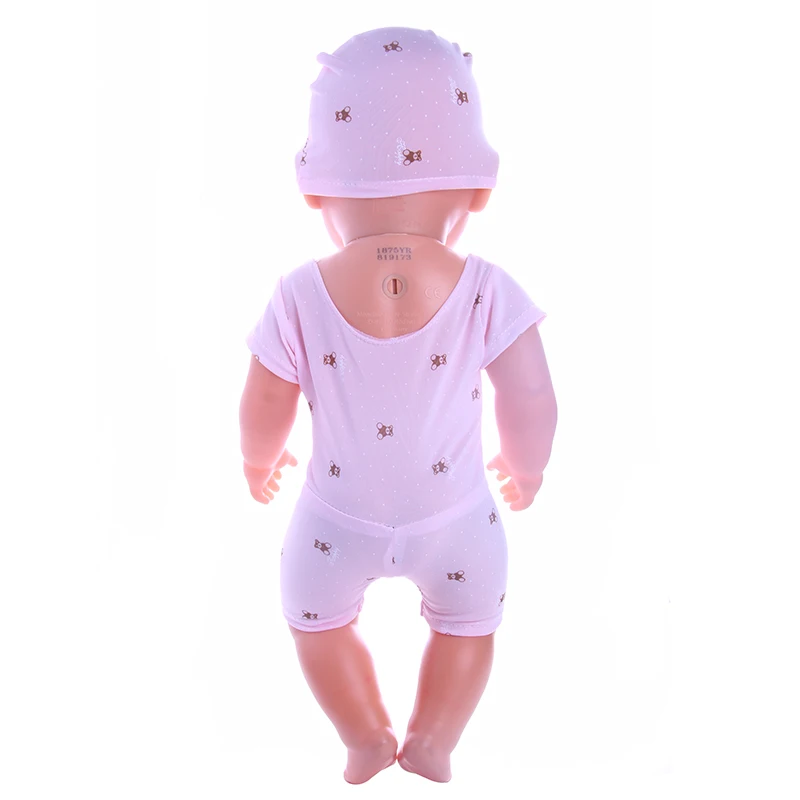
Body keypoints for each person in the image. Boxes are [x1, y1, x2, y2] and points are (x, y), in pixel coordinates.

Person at [239, 26, 558, 785]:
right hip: (458, 522)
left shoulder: (298, 294)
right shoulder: (487, 290)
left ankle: (363, 734)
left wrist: (258, 458)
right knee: (469, 627)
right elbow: (532, 394)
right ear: (479, 190)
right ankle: (434, 738)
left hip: (332, 521)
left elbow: (264, 397)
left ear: (314, 188)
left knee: (315, 625)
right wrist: (527, 468)